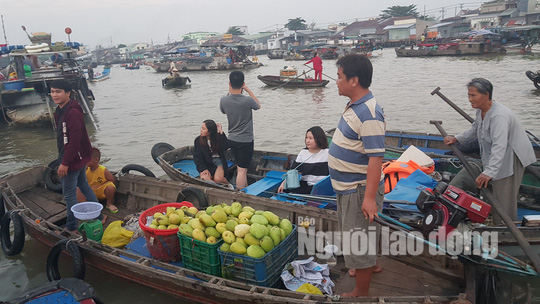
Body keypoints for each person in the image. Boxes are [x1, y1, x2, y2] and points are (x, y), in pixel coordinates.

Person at [328, 54, 385, 297]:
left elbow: (376, 158)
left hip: (359, 189)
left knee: (358, 240)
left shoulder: (369, 113)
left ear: (354, 80)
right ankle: (369, 265)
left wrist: (369, 198)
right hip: (348, 187)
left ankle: (360, 293)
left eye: (339, 77)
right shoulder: (355, 105)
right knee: (361, 234)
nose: (336, 81)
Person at [443, 78, 536, 225]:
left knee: (504, 194)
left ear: (486, 95)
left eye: (473, 95)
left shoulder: (499, 116)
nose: (469, 99)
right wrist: (457, 139)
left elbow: (500, 146)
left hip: (512, 156)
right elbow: (475, 128)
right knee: (492, 186)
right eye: (469, 95)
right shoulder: (481, 111)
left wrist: (489, 172)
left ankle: (506, 227)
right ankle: (491, 217)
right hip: (497, 154)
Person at [52, 79, 105, 233]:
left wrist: (65, 163)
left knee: (69, 194)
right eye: (53, 91)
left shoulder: (73, 112)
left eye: (58, 91)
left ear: (68, 93)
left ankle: (71, 227)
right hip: (78, 157)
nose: (55, 95)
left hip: (73, 159)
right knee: (84, 186)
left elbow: (74, 141)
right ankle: (100, 217)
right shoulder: (61, 110)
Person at [220, 71, 261, 189]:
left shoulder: (224, 100)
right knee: (242, 171)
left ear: (229, 83)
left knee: (241, 168)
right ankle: (239, 195)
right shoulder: (247, 100)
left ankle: (245, 190)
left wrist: (229, 92)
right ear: (243, 83)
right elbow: (258, 106)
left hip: (232, 139)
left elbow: (223, 111)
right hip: (245, 141)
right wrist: (248, 90)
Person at [277, 126, 329, 194]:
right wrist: (283, 184)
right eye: (306, 138)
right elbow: (292, 171)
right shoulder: (303, 152)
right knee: (282, 190)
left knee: (295, 193)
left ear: (319, 139)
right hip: (305, 184)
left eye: (310, 138)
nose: (307, 141)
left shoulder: (327, 152)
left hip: (320, 186)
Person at [77, 148, 118, 213]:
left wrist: (100, 185)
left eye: (88, 159)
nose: (85, 161)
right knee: (78, 189)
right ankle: (85, 206)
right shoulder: (85, 170)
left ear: (96, 160)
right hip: (91, 192)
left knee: (111, 186)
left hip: (101, 191)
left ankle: (109, 204)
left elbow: (112, 180)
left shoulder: (103, 170)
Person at [193, 120, 229, 184]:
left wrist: (221, 131)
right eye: (201, 128)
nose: (201, 130)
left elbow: (226, 146)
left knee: (218, 179)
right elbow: (197, 157)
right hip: (206, 163)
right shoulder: (198, 140)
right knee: (205, 180)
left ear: (210, 131)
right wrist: (203, 169)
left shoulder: (218, 138)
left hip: (218, 162)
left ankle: (229, 187)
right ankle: (220, 190)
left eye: (203, 129)